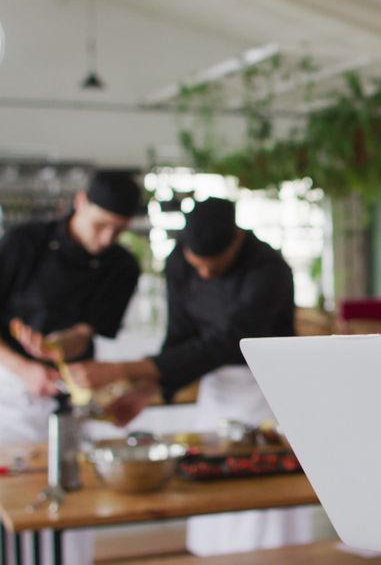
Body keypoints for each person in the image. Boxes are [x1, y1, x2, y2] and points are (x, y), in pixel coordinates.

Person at [69, 197, 311, 556]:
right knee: (213, 501)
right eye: (197, 266)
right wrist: (148, 389)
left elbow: (228, 342)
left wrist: (124, 369)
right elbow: (180, 337)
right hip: (215, 393)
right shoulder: (178, 262)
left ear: (237, 241)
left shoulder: (269, 267)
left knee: (264, 510)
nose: (204, 274)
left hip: (268, 396)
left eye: (214, 267)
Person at [0, 169, 143, 565]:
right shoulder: (23, 243)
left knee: (71, 503)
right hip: (9, 391)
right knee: (14, 507)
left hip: (70, 393)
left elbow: (85, 332)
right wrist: (23, 366)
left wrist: (58, 346)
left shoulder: (122, 266)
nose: (106, 239)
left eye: (118, 231)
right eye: (100, 226)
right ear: (79, 203)